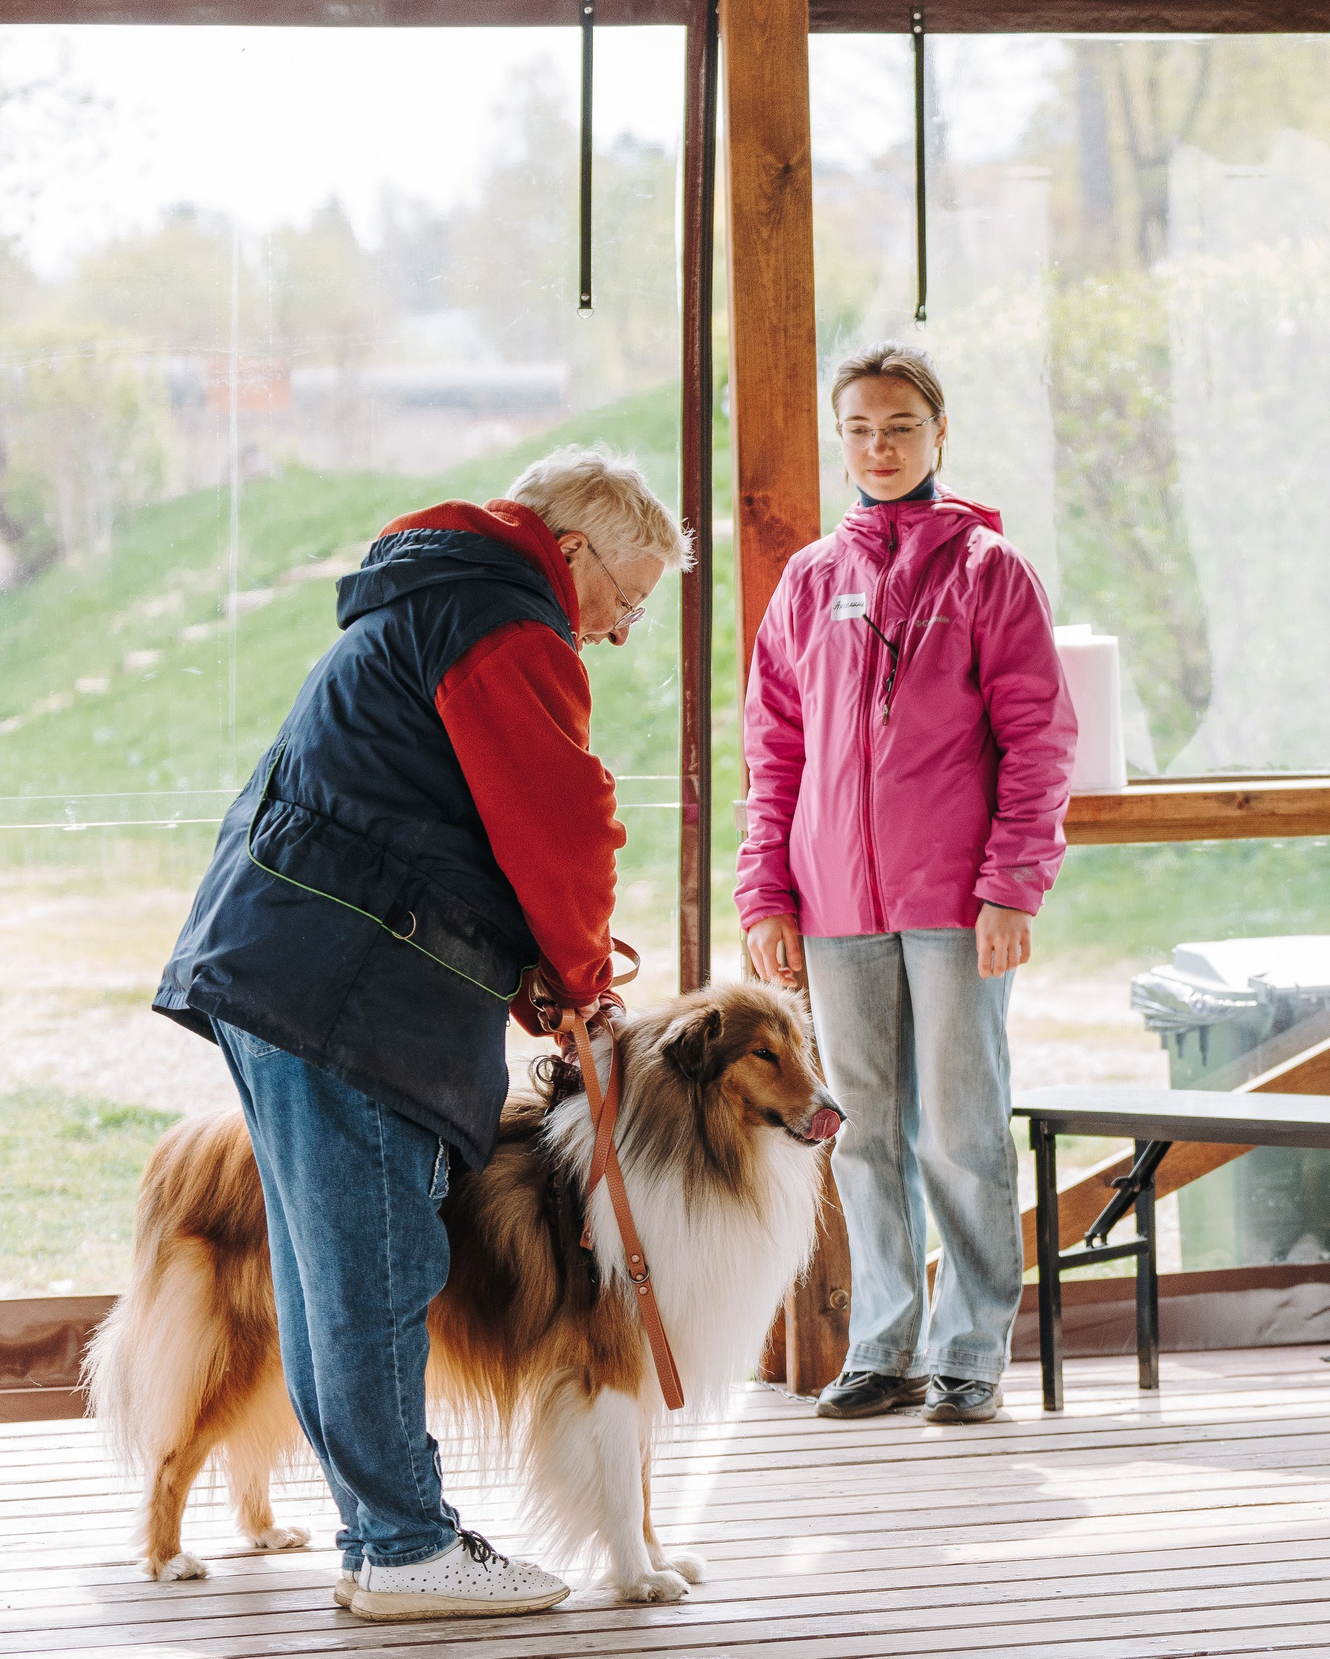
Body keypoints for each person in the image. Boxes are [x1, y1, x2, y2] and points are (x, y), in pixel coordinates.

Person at [154, 444, 682, 1619]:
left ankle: (374, 1537)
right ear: (576, 550)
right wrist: (585, 977)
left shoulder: (433, 600)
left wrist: (533, 980)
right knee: (378, 1270)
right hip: (343, 988)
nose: (620, 631)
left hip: (281, 967)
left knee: (327, 1273)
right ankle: (404, 1545)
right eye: (626, 599)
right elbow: (558, 824)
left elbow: (436, 827)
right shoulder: (505, 620)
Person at [737, 342, 1077, 1426]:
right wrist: (765, 895)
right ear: (842, 441)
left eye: (898, 427)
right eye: (859, 430)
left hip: (953, 903)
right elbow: (771, 750)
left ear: (939, 436)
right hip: (832, 907)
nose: (878, 448)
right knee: (863, 1129)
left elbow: (1039, 741)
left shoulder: (989, 571)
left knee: (961, 1131)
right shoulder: (808, 581)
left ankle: (970, 1348)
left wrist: (1014, 886)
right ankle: (883, 1343)